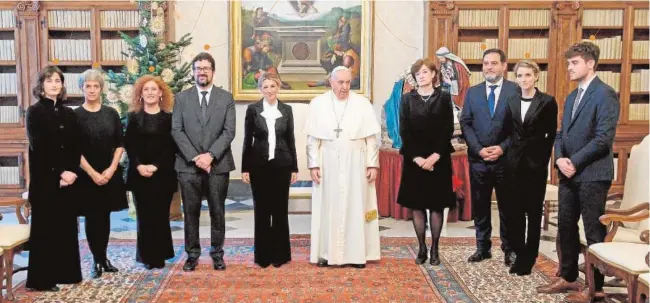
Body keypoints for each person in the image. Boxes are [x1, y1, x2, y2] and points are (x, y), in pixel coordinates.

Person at [537, 42, 619, 303]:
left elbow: (603, 138)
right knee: (565, 226)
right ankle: (570, 277)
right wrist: (560, 158)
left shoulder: (605, 94)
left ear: (590, 63)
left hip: (593, 173)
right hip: (568, 173)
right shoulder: (572, 96)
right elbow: (561, 133)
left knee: (593, 231)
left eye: (574, 63)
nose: (569, 68)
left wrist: (574, 161)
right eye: (569, 63)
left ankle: (595, 288)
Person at [305, 66, 381, 269]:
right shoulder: (318, 104)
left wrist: (372, 164)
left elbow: (371, 139)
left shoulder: (362, 104)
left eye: (348, 82)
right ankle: (325, 253)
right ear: (331, 82)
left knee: (357, 206)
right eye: (340, 82)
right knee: (327, 206)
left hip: (357, 161)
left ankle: (356, 255)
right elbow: (312, 139)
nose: (345, 87)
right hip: (327, 160)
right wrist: (313, 164)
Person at [171, 52, 236, 272]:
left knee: (218, 212)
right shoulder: (181, 98)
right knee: (191, 212)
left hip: (218, 165)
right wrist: (196, 157)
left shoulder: (226, 98)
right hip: (188, 167)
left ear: (213, 72)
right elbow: (176, 131)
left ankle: (217, 254)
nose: (202, 71)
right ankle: (192, 255)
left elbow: (229, 132)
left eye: (206, 68)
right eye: (198, 68)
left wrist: (210, 156)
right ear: (193, 72)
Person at [25, 66, 82, 291]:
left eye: (58, 80)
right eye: (49, 80)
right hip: (44, 179)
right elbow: (39, 147)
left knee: (66, 227)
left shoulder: (69, 113)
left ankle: (67, 274)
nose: (54, 84)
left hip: (68, 179)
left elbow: (76, 146)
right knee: (45, 229)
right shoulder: (34, 111)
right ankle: (42, 280)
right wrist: (59, 172)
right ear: (41, 85)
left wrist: (72, 172)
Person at [460, 48, 518, 265]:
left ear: (504, 66)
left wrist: (502, 148)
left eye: (494, 63)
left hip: (506, 160)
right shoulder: (473, 92)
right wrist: (477, 149)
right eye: (486, 63)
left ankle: (509, 250)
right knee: (480, 206)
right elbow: (465, 122)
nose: (489, 67)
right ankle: (482, 248)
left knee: (508, 207)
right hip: (479, 160)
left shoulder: (515, 91)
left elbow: (520, 127)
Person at [397, 58, 456, 266]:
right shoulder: (406, 99)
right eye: (417, 74)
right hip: (415, 160)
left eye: (424, 72)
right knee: (418, 206)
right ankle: (421, 247)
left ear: (433, 74)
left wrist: (434, 157)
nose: (420, 76)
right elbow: (404, 130)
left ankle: (435, 248)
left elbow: (447, 129)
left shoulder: (444, 97)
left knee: (437, 206)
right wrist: (418, 158)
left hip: (438, 159)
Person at [504, 60, 557, 275]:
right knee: (514, 213)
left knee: (534, 214)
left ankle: (529, 257)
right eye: (519, 76)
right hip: (513, 165)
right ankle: (517, 253)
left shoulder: (547, 102)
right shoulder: (511, 100)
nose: (523, 79)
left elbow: (550, 136)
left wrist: (539, 162)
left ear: (536, 76)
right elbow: (508, 132)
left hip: (535, 166)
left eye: (527, 75)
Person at [75, 69, 128, 279]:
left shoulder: (111, 113)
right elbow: (73, 149)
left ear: (101, 88)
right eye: (88, 86)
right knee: (91, 217)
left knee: (104, 216)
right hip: (87, 175)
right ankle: (96, 260)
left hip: (108, 172)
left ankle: (104, 257)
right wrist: (92, 173)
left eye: (96, 86)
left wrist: (111, 169)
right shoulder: (75, 115)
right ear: (81, 88)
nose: (92, 90)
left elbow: (119, 144)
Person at [241, 72, 298, 268]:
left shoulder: (287, 110)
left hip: (282, 166)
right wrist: (245, 168)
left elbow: (291, 139)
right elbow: (247, 140)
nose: (269, 90)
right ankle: (263, 256)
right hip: (259, 167)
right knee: (262, 211)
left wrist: (294, 168)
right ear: (260, 89)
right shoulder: (252, 110)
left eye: (272, 86)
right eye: (265, 87)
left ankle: (280, 255)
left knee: (280, 211)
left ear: (278, 87)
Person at [125, 75, 178, 270]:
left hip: (162, 174)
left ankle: (160, 255)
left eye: (153, 89)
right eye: (146, 89)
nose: (150, 93)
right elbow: (130, 144)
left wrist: (156, 166)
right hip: (139, 175)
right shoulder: (133, 117)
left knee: (160, 216)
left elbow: (170, 147)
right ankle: (146, 257)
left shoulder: (169, 118)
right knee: (144, 217)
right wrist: (139, 165)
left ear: (161, 93)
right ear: (140, 93)